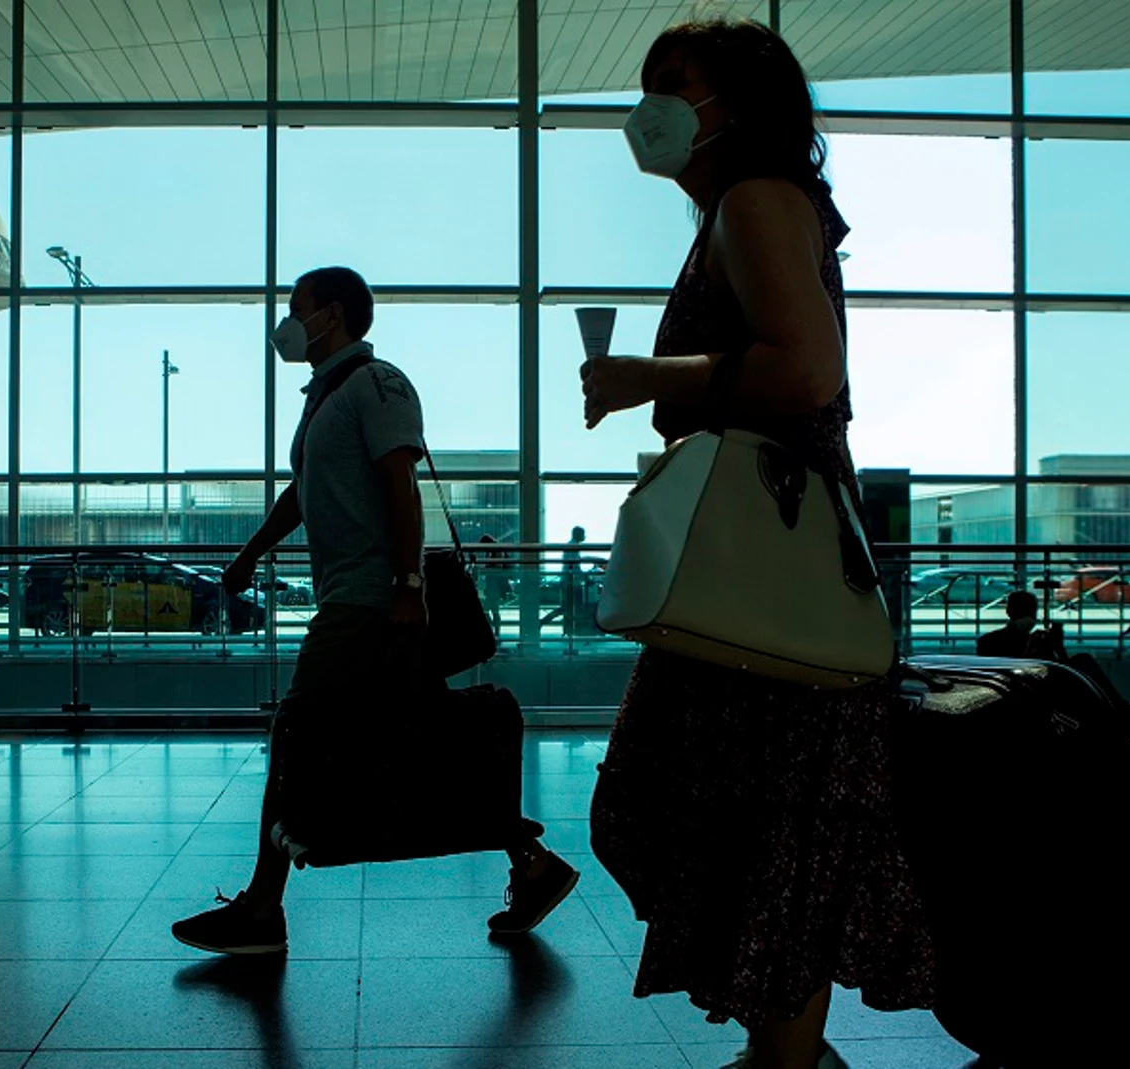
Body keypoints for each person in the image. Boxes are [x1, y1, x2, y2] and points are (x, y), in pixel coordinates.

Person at [576, 19, 935, 1069]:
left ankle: (786, 1058)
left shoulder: (756, 200)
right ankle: (786, 1053)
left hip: (767, 558)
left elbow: (807, 372)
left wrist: (650, 379)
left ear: (740, 101)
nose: (652, 106)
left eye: (674, 84)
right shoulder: (743, 210)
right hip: (769, 558)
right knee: (760, 820)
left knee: (754, 818)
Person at [171, 266, 578, 956]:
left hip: (370, 600)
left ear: (330, 316)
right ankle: (533, 865)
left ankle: (262, 909)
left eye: (297, 308)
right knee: (426, 737)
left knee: (297, 727)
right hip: (361, 598)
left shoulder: (376, 384)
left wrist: (408, 586)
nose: (288, 322)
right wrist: (251, 553)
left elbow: (400, 483)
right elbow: (301, 494)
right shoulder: (324, 398)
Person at [979, 590, 1130, 742]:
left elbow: (1062, 667)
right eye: (1025, 611)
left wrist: (1056, 647)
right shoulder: (991, 641)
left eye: (1031, 612)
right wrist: (1032, 650)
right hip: (1029, 689)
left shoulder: (1029, 639)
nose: (1029, 617)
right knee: (1082, 666)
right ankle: (1128, 716)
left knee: (1082, 663)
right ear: (1011, 612)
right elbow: (1004, 675)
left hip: (1049, 684)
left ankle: (1126, 717)